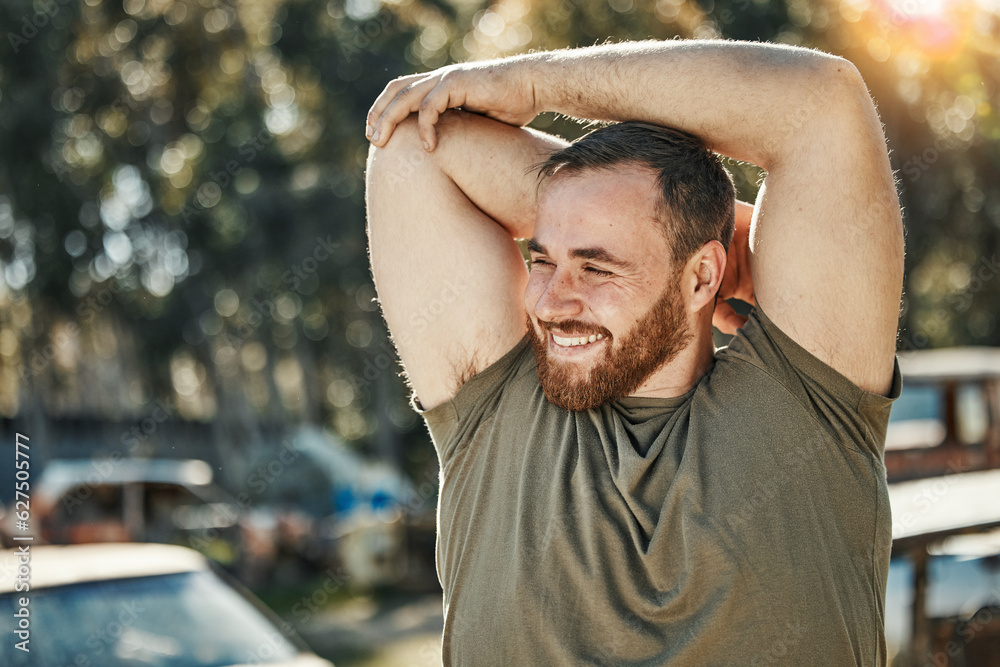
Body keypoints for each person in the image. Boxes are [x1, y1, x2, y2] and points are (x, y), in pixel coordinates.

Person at [364, 39, 904, 666]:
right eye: (543, 258)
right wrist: (709, 228)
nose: (550, 302)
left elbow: (819, 99)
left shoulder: (807, 405)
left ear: (702, 278)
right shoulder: (495, 409)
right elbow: (406, 142)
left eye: (596, 269)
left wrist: (534, 84)